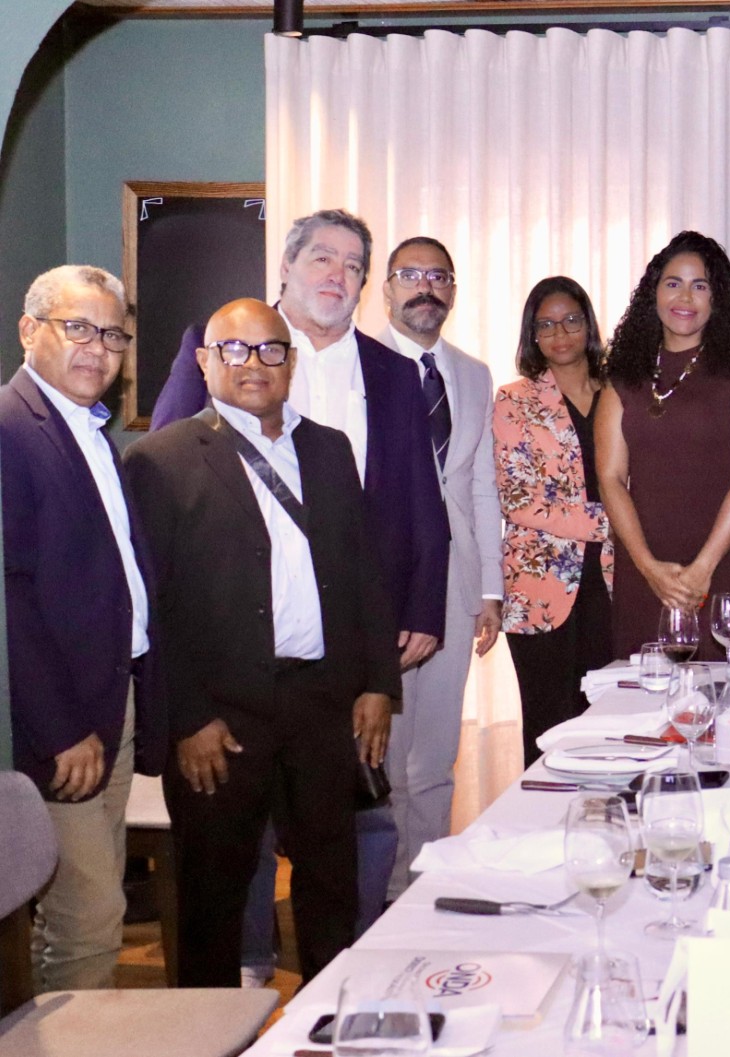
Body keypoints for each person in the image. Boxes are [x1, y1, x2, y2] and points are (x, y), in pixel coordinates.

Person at [149, 208, 447, 952]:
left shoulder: (355, 414)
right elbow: (160, 580)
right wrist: (186, 713)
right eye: (321, 257)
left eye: (353, 265)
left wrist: (380, 670)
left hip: (326, 682)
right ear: (285, 267)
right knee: (220, 877)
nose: (336, 275)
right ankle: (243, 979)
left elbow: (397, 527)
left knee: (334, 864)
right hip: (226, 684)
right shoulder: (180, 420)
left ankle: (333, 991)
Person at [125, 298, 399, 989]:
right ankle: (208, 1031)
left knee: (330, 880)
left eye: (271, 349)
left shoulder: (329, 449)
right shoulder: (160, 459)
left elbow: (363, 573)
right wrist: (187, 719)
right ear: (204, 361)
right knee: (213, 894)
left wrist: (377, 683)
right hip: (219, 718)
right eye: (235, 349)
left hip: (321, 703)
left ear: (291, 362)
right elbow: (153, 608)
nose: (255, 364)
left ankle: (329, 1017)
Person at [2, 265, 165, 992]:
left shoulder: (92, 432)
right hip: (61, 720)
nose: (98, 348)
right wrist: (60, 728)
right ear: (28, 330)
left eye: (113, 335)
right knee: (91, 916)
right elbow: (12, 599)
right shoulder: (11, 429)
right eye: (78, 328)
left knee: (85, 910)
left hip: (113, 699)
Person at [376, 236, 502, 901]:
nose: (426, 286)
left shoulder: (474, 374)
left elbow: (480, 484)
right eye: (411, 274)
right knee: (385, 750)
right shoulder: (359, 365)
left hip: (457, 581)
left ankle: (419, 885)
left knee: (436, 750)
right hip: (385, 583)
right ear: (386, 289)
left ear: (453, 289)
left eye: (439, 276)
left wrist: (490, 589)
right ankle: (382, 887)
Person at [597, 232, 730, 662]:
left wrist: (702, 569)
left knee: (724, 692)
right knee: (642, 691)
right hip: (645, 566)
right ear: (654, 293)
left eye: (701, 286)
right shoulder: (622, 377)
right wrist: (648, 568)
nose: (685, 297)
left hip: (724, 566)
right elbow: (610, 478)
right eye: (673, 283)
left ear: (718, 299)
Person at [495, 277, 615, 764]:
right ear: (533, 335)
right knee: (548, 731)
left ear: (588, 325)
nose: (560, 333)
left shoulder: (620, 393)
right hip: (538, 589)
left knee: (609, 726)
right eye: (546, 325)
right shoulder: (513, 400)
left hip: (615, 581)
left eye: (570, 320)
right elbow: (517, 497)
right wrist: (613, 522)